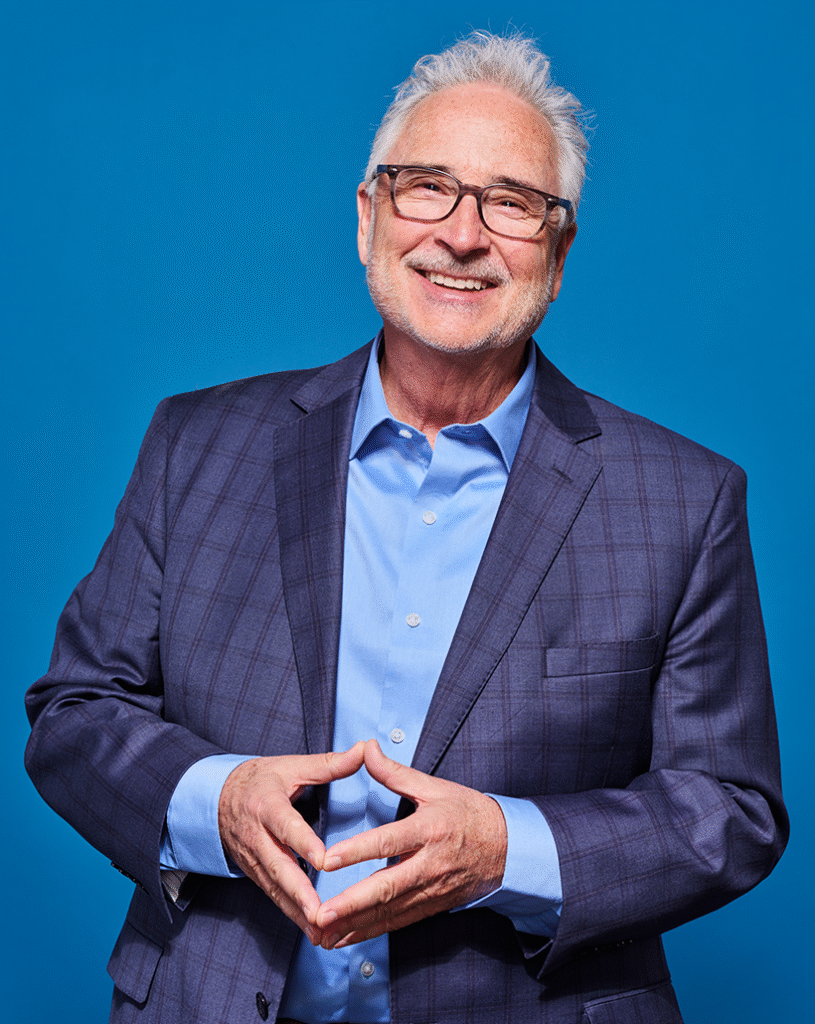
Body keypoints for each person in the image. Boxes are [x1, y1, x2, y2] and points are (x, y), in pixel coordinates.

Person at [25, 30, 787, 1024]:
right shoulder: (195, 444)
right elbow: (76, 710)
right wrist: (212, 802)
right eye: (426, 186)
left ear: (557, 254)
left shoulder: (682, 499)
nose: (461, 235)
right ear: (368, 217)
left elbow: (728, 809)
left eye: (511, 202)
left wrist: (505, 850)